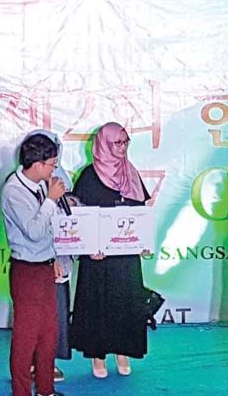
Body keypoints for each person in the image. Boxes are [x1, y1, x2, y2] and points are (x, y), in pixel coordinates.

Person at [69, 122, 150, 378]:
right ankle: (98, 356)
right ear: (104, 144)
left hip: (126, 256)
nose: (123, 148)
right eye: (117, 143)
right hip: (98, 257)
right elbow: (77, 217)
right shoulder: (88, 176)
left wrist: (145, 241)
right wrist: (88, 248)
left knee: (126, 303)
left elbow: (142, 212)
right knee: (98, 305)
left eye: (126, 142)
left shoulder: (131, 173)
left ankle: (123, 351)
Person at [1, 134, 66, 396]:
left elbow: (48, 229)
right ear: (37, 164)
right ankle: (21, 392)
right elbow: (34, 232)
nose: (54, 169)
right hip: (26, 270)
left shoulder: (38, 184)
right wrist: (51, 200)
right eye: (52, 164)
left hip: (44, 266)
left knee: (49, 333)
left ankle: (46, 390)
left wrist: (55, 256)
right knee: (25, 338)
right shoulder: (13, 191)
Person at [24, 129, 75, 383]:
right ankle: (33, 365)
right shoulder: (24, 185)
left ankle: (48, 363)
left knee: (56, 314)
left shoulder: (59, 176)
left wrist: (72, 204)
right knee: (35, 317)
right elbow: (33, 227)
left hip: (61, 256)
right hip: (39, 259)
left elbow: (69, 212)